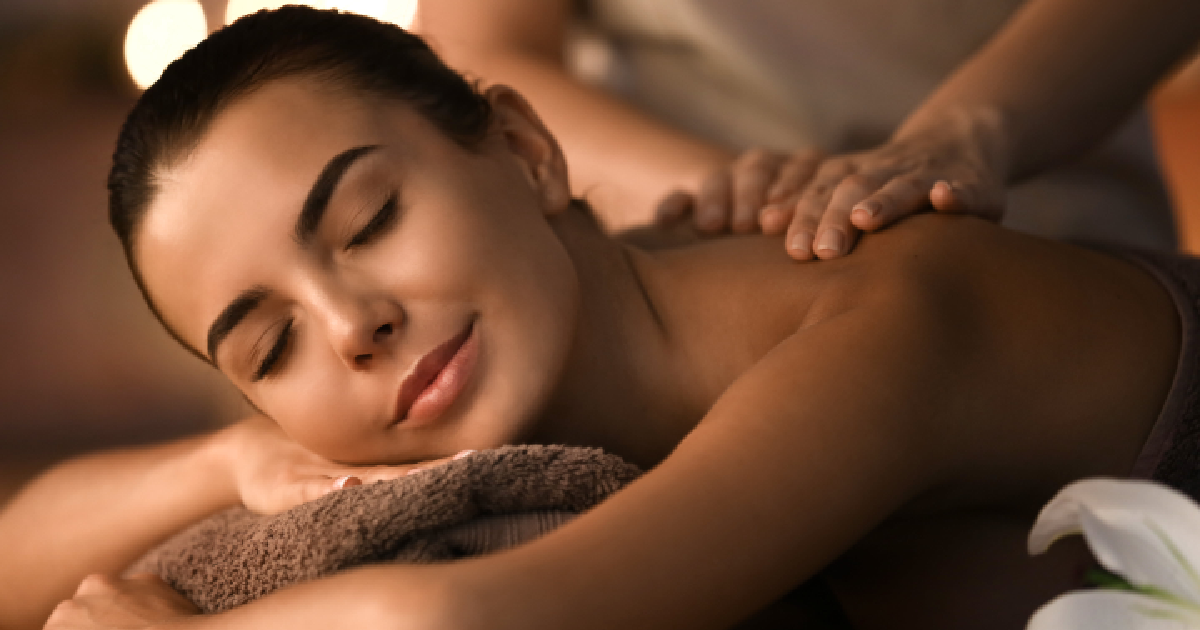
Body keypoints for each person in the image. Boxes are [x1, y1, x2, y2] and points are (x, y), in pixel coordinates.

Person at [6, 7, 1195, 630]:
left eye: (367, 220)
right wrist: (235, 456)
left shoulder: (874, 315)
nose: (351, 320)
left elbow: (491, 621)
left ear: (524, 149)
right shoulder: (418, 373)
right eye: (269, 346)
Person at [420, 0, 1197, 258]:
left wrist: (967, 136)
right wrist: (747, 199)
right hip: (725, 246)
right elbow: (481, 53)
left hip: (1058, 240)